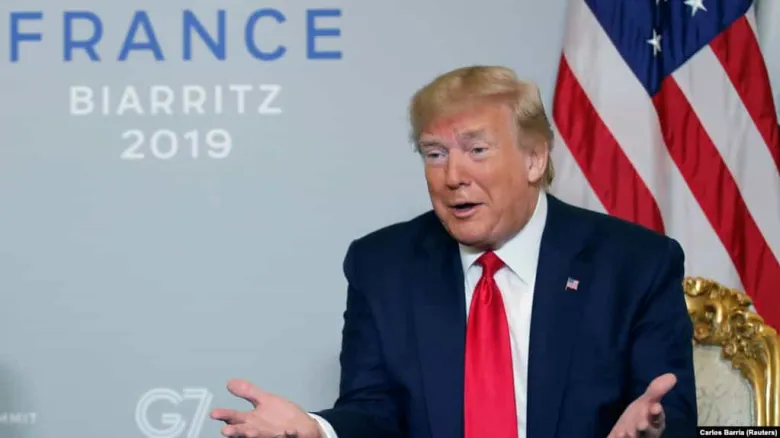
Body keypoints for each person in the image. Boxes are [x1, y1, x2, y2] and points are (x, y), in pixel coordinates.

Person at [210, 66, 698, 438]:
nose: (452, 176)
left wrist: (652, 433)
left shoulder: (635, 264)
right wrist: (319, 431)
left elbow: (670, 414)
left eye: (476, 150)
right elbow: (375, 410)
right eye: (435, 154)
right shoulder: (382, 265)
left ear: (534, 159)